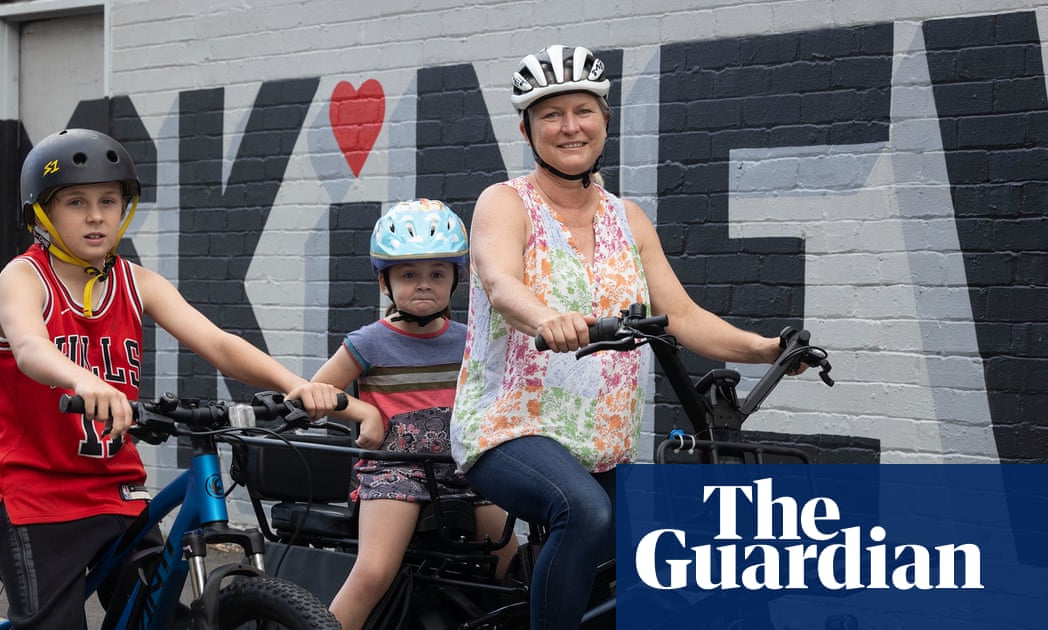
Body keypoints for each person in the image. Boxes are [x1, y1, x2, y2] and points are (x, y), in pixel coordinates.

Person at [450, 45, 796, 630]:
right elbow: (500, 280)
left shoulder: (627, 218)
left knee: (633, 582)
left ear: (604, 121)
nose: (569, 127)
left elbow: (682, 316)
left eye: (582, 110)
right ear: (526, 128)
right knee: (582, 513)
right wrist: (545, 319)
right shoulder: (505, 203)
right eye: (549, 114)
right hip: (509, 427)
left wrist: (768, 349)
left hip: (603, 441)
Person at [0, 128, 347, 629]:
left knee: (160, 614)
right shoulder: (22, 279)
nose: (95, 215)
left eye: (108, 200)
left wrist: (293, 383)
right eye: (75, 202)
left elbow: (218, 344)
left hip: (115, 490)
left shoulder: (137, 282)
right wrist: (84, 381)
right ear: (41, 214)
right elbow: (29, 347)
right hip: (34, 494)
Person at [312, 199, 519, 630]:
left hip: (462, 466)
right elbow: (315, 391)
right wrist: (362, 410)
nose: (424, 285)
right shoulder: (368, 342)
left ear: (456, 279)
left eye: (437, 274)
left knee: (515, 567)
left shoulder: (471, 339)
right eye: (409, 274)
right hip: (395, 470)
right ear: (385, 282)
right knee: (373, 572)